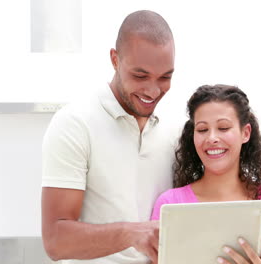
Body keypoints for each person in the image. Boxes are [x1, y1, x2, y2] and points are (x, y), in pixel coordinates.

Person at [41, 10, 176, 264]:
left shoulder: (176, 129)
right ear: (115, 59)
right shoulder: (74, 124)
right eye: (140, 75)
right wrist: (130, 233)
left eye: (165, 77)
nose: (153, 90)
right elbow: (55, 241)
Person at [151, 85, 261, 264]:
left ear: (245, 133)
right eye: (202, 130)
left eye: (223, 128)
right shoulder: (170, 204)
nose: (212, 138)